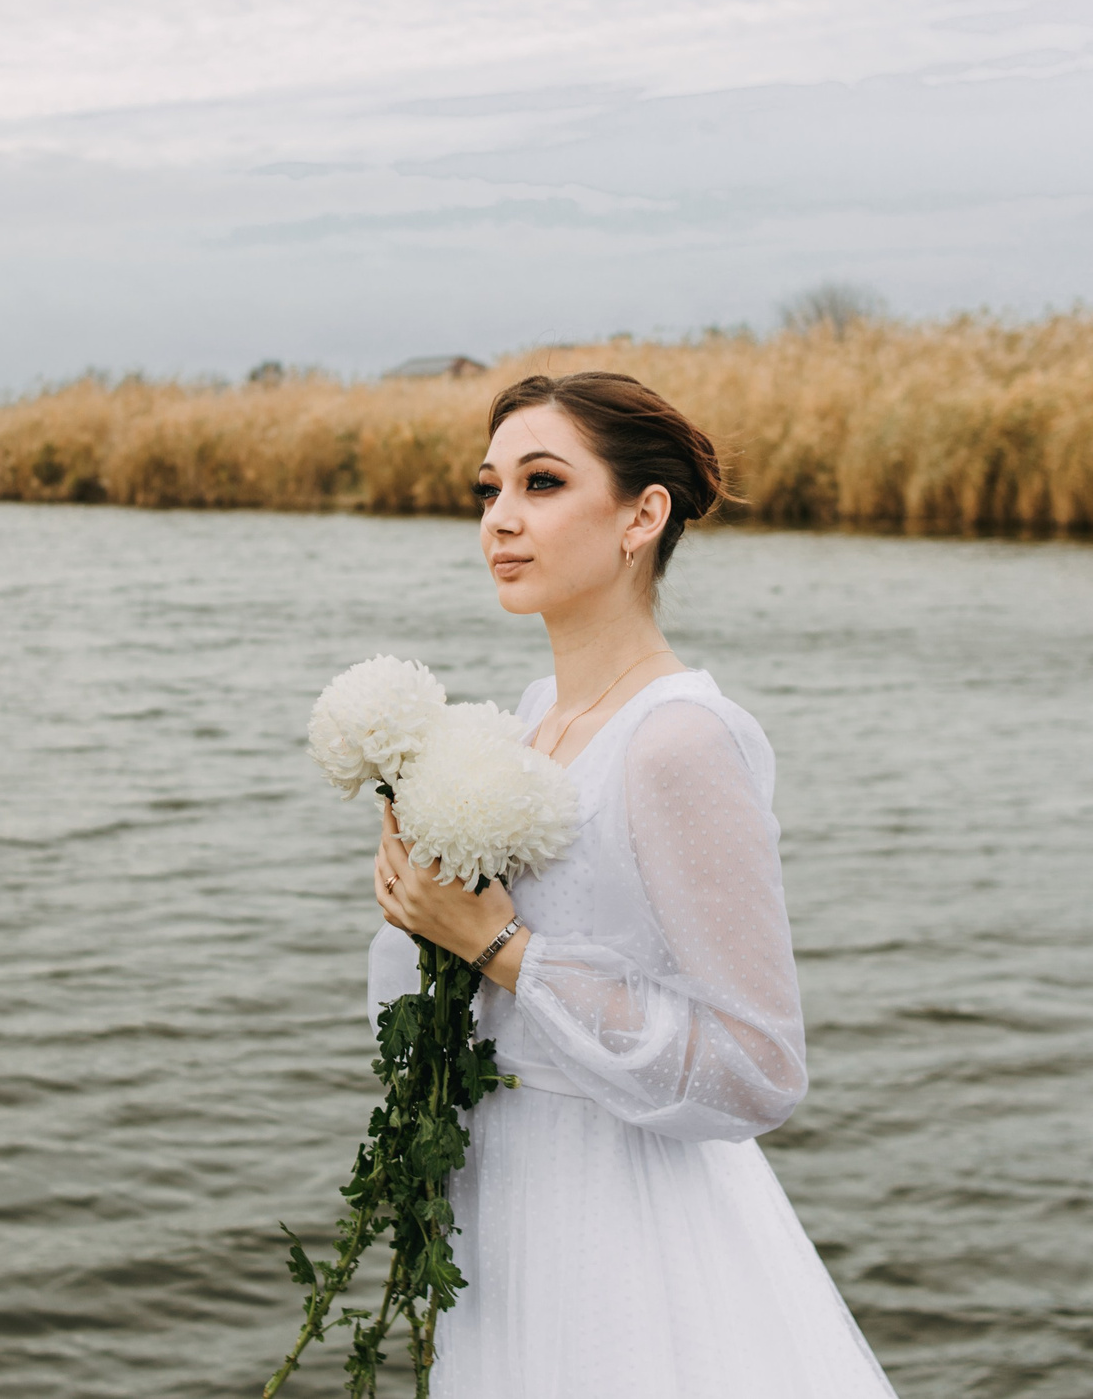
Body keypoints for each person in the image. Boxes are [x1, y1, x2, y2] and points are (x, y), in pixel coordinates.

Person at [368, 371, 899, 1398]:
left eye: (543, 484)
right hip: (506, 1199)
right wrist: (415, 909)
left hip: (621, 1228)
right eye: (489, 490)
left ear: (640, 516)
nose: (501, 521)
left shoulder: (678, 741)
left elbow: (760, 1067)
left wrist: (501, 950)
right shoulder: (526, 720)